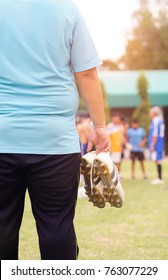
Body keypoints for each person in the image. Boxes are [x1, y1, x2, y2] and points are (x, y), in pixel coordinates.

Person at [0, 0, 110, 260]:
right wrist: (100, 126)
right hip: (55, 141)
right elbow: (86, 73)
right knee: (56, 227)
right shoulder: (66, 8)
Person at [148, 106, 165, 185]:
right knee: (157, 160)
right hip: (160, 143)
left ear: (154, 113)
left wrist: (152, 145)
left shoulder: (155, 120)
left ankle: (159, 178)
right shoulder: (160, 120)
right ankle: (159, 178)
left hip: (157, 143)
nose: (149, 114)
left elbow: (155, 134)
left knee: (157, 160)